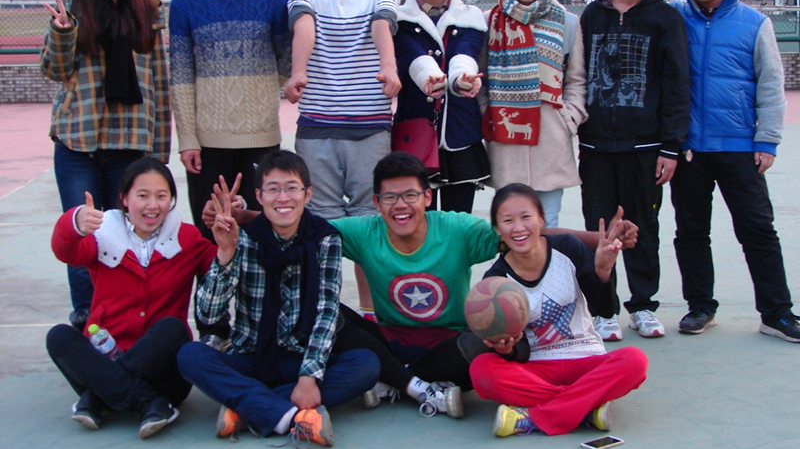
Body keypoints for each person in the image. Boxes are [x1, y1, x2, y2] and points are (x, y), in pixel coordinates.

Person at [202, 152, 638, 419]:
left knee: (481, 345)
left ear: (427, 197)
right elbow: (301, 222)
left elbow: (527, 233)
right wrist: (240, 217)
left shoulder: (458, 229)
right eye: (390, 197)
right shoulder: (363, 231)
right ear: (377, 203)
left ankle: (393, 383)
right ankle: (408, 383)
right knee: (336, 315)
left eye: (410, 194)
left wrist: (599, 239)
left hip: (447, 345)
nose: (401, 205)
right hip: (389, 342)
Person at [177, 150, 380, 449]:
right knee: (190, 355)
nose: (283, 198)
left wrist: (309, 377)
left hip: (300, 358)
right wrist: (225, 254)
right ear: (259, 196)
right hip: (252, 356)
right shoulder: (242, 237)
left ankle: (246, 407)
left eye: (291, 188)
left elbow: (326, 311)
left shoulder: (325, 239)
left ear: (307, 194)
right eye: (273, 189)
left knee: (366, 365)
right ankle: (288, 415)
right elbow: (208, 315)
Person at [41, 0, 170, 333]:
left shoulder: (148, 8)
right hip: (77, 143)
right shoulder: (71, 5)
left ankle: (120, 320)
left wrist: (158, 155)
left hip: (129, 143)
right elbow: (54, 69)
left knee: (123, 237)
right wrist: (63, 32)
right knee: (83, 234)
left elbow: (159, 82)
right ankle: (86, 319)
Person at [670, 0, 800, 342]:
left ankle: (776, 313)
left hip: (740, 146)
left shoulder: (754, 23)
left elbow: (771, 84)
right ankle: (700, 307)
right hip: (690, 149)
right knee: (691, 231)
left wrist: (767, 140)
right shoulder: (673, 19)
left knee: (758, 230)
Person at [284, 0, 401, 315]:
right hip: (317, 130)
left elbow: (381, 24)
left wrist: (388, 66)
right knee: (321, 229)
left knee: (371, 228)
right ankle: (323, 316)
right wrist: (299, 72)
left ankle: (371, 316)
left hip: (370, 130)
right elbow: (304, 25)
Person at [45, 158, 218, 439]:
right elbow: (66, 251)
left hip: (165, 376)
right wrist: (74, 222)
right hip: (105, 355)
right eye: (143, 195)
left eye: (161, 196)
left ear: (171, 200)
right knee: (59, 337)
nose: (153, 205)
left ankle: (97, 398)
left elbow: (222, 267)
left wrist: (230, 232)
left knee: (172, 328)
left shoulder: (186, 237)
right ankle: (147, 403)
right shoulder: (102, 235)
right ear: (125, 198)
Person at [578, 0, 690, 341]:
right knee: (600, 230)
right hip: (596, 147)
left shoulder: (665, 18)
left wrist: (671, 147)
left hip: (645, 146)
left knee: (643, 228)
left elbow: (677, 85)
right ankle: (603, 310)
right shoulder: (592, 16)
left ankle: (643, 306)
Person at [469, 184, 648, 437]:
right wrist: (507, 349)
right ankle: (585, 407)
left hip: (585, 359)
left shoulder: (567, 248)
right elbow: (521, 351)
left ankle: (536, 417)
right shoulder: (496, 281)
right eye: (508, 221)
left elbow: (603, 309)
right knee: (482, 370)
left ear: (541, 219)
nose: (518, 228)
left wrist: (603, 272)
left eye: (526, 217)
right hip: (536, 368)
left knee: (635, 361)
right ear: (498, 228)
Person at [169, 0, 290, 244]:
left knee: (262, 234)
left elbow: (285, 62)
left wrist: (257, 91)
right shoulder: (184, 3)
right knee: (211, 235)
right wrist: (188, 140)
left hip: (261, 139)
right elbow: (181, 77)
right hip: (207, 145)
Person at [481, 0, 588, 227]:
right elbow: (480, 79)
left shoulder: (567, 22)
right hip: (505, 140)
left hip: (551, 137)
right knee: (508, 223)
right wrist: (486, 113)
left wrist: (569, 118)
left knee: (548, 221)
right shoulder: (489, 22)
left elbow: (576, 79)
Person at [393, 0, 489, 213]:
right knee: (419, 221)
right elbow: (412, 55)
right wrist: (429, 79)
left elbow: (465, 53)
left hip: (460, 133)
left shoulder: (471, 17)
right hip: (415, 132)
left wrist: (461, 80)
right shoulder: (399, 19)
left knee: (458, 222)